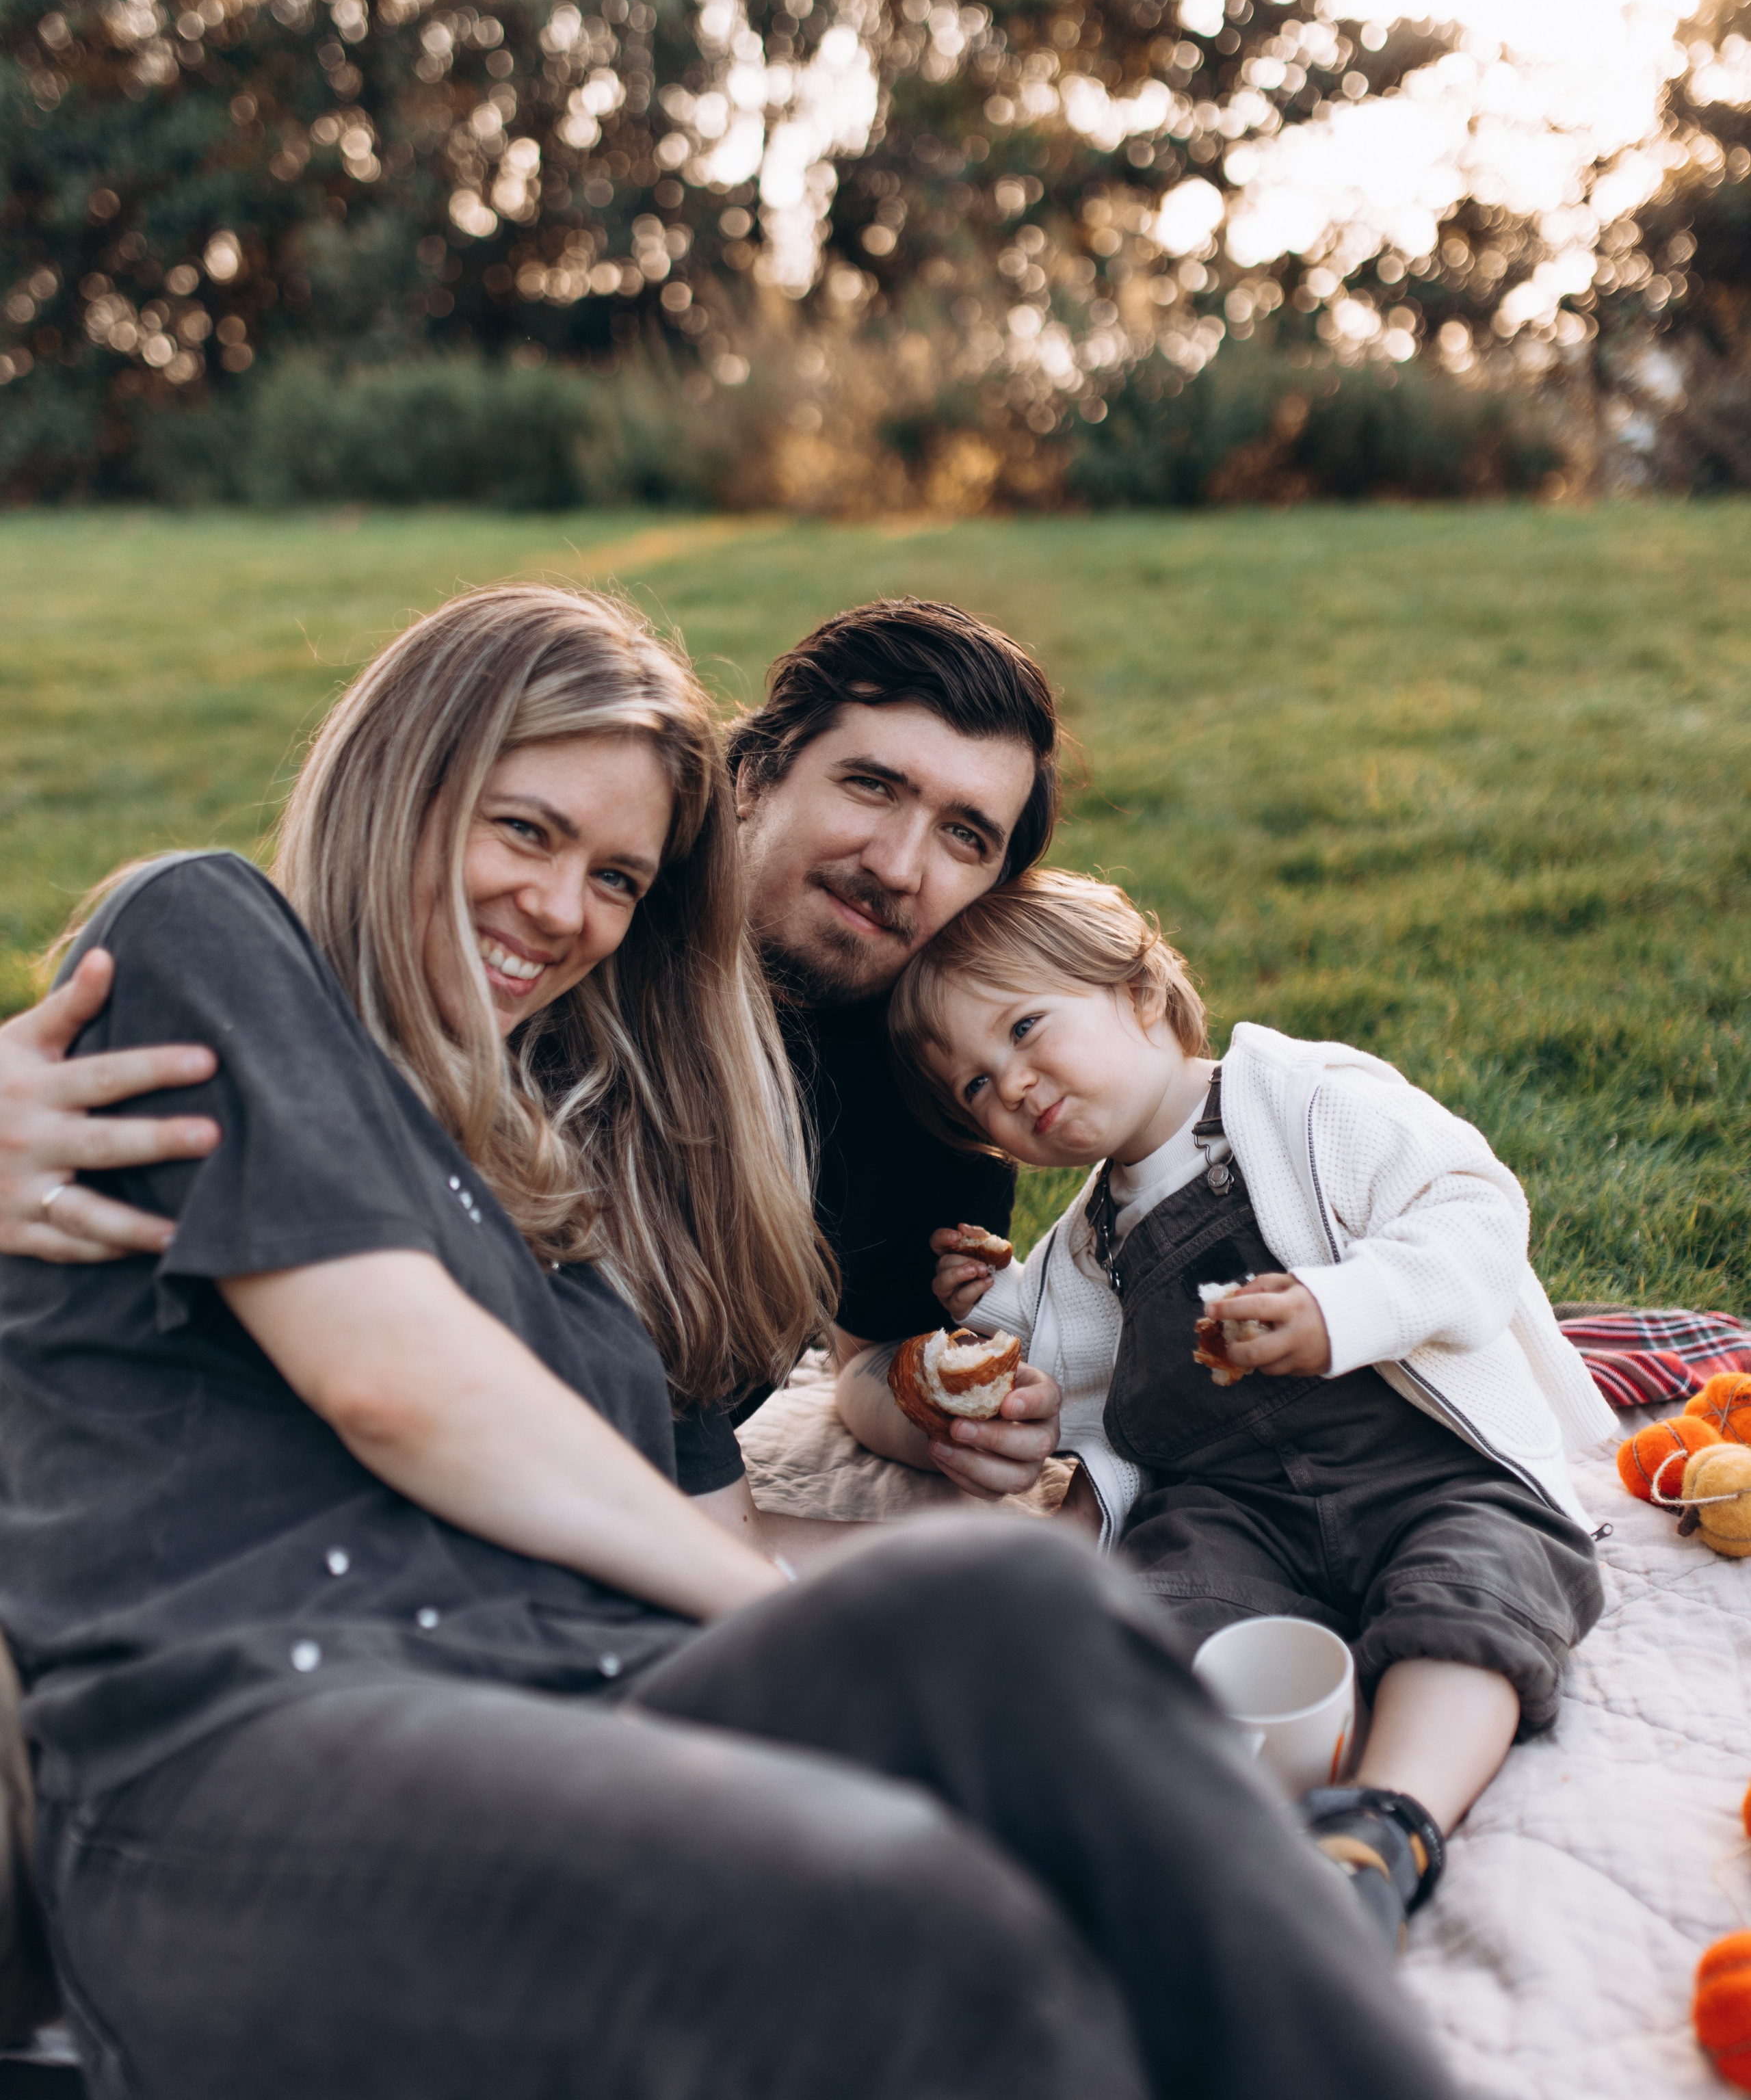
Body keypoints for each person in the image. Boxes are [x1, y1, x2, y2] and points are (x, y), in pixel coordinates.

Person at [0, 586, 1471, 2100]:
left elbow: (681, 1499)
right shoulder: (213, 938)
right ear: (400, 775)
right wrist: (756, 1602)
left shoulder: (560, 1188)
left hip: (576, 1691)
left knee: (1006, 1594)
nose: (565, 909)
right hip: (252, 1758)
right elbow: (396, 1384)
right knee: (904, 1906)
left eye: (617, 878)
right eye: (523, 830)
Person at [0, 598, 1063, 1509]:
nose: (896, 862)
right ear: (754, 776)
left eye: (966, 834)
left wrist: (938, 1416)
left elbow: (867, 1350)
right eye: (872, 786)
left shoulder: (946, 1093)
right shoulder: (542, 958)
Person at [886, 866, 1616, 1942]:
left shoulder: (1309, 1101)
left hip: (1426, 1464)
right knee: (1154, 1613)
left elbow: (1472, 1210)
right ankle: (1209, 1835)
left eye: (1027, 1028)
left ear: (1140, 990)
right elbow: (1044, 1349)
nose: (1014, 1086)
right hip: (1237, 1506)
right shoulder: (1091, 1233)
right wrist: (984, 1319)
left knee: (1479, 1592)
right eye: (978, 1091)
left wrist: (1344, 1305)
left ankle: (1388, 1821)